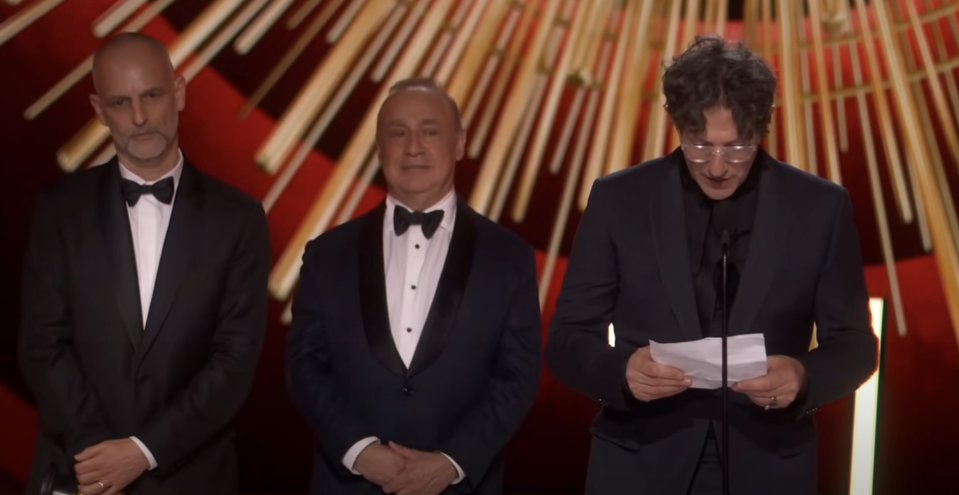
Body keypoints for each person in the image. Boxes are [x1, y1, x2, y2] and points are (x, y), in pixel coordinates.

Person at [545, 35, 878, 495]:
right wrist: (621, 371)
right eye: (699, 146)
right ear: (677, 126)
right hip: (639, 464)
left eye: (737, 148)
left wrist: (803, 377)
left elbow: (856, 344)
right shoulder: (618, 199)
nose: (717, 166)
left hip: (768, 466)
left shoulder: (820, 207)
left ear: (762, 129)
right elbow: (567, 339)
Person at [18, 33, 270, 495]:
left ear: (179, 91)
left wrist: (143, 450)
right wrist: (100, 453)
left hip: (192, 478)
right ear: (98, 110)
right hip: (81, 475)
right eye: (120, 102)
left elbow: (234, 360)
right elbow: (42, 345)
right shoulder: (59, 210)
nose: (138, 117)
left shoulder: (240, 218)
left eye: (152, 95)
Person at [285, 77, 541, 495]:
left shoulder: (509, 257)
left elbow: (517, 376)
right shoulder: (326, 254)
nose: (413, 147)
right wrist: (359, 451)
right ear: (379, 146)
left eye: (430, 131)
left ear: (459, 142)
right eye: (397, 133)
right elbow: (305, 365)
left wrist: (451, 462)